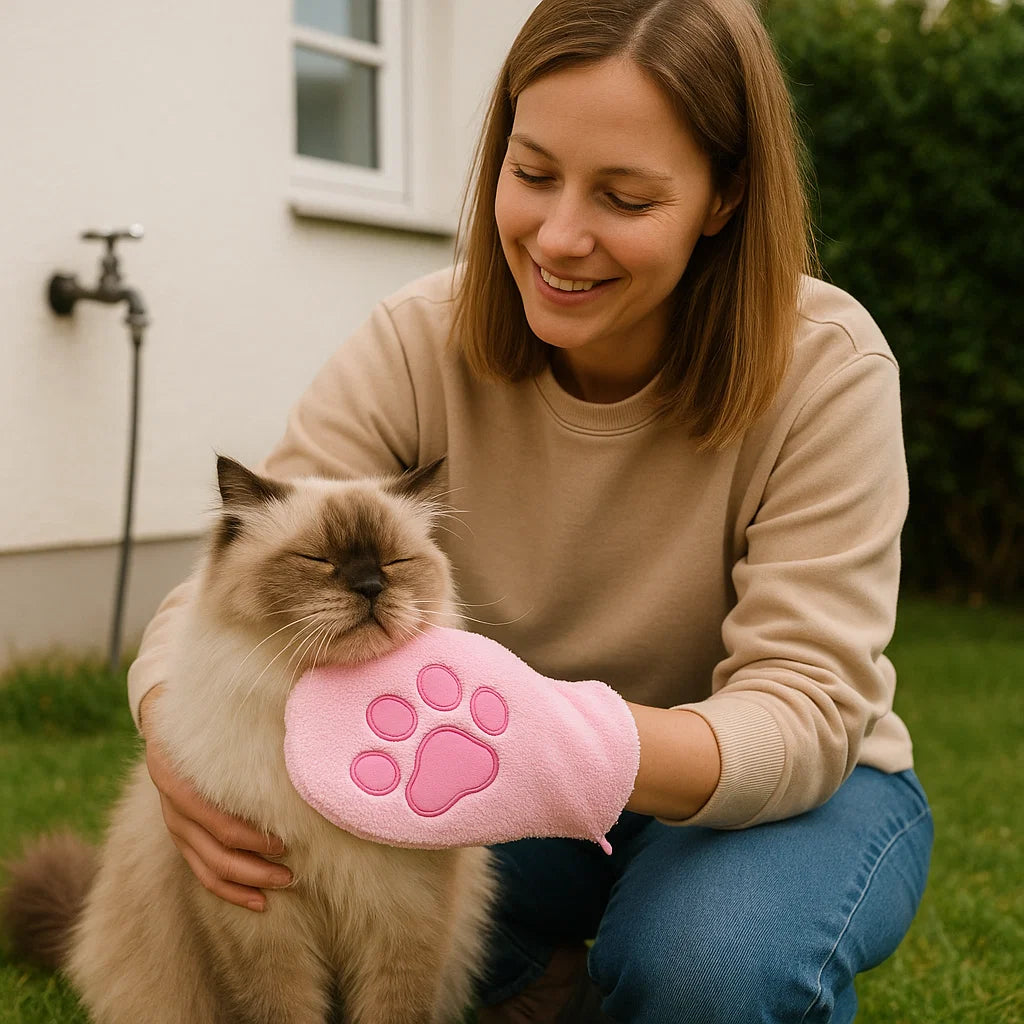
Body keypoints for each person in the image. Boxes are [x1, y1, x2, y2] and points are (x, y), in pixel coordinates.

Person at [129, 0, 933, 1020]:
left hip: (769, 793)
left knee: (709, 972)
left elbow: (806, 708)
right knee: (329, 909)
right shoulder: (419, 336)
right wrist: (174, 740)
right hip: (497, 769)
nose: (558, 236)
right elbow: (223, 578)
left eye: (625, 198)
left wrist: (560, 737)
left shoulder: (826, 366)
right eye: (532, 172)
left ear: (723, 197)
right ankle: (546, 974)